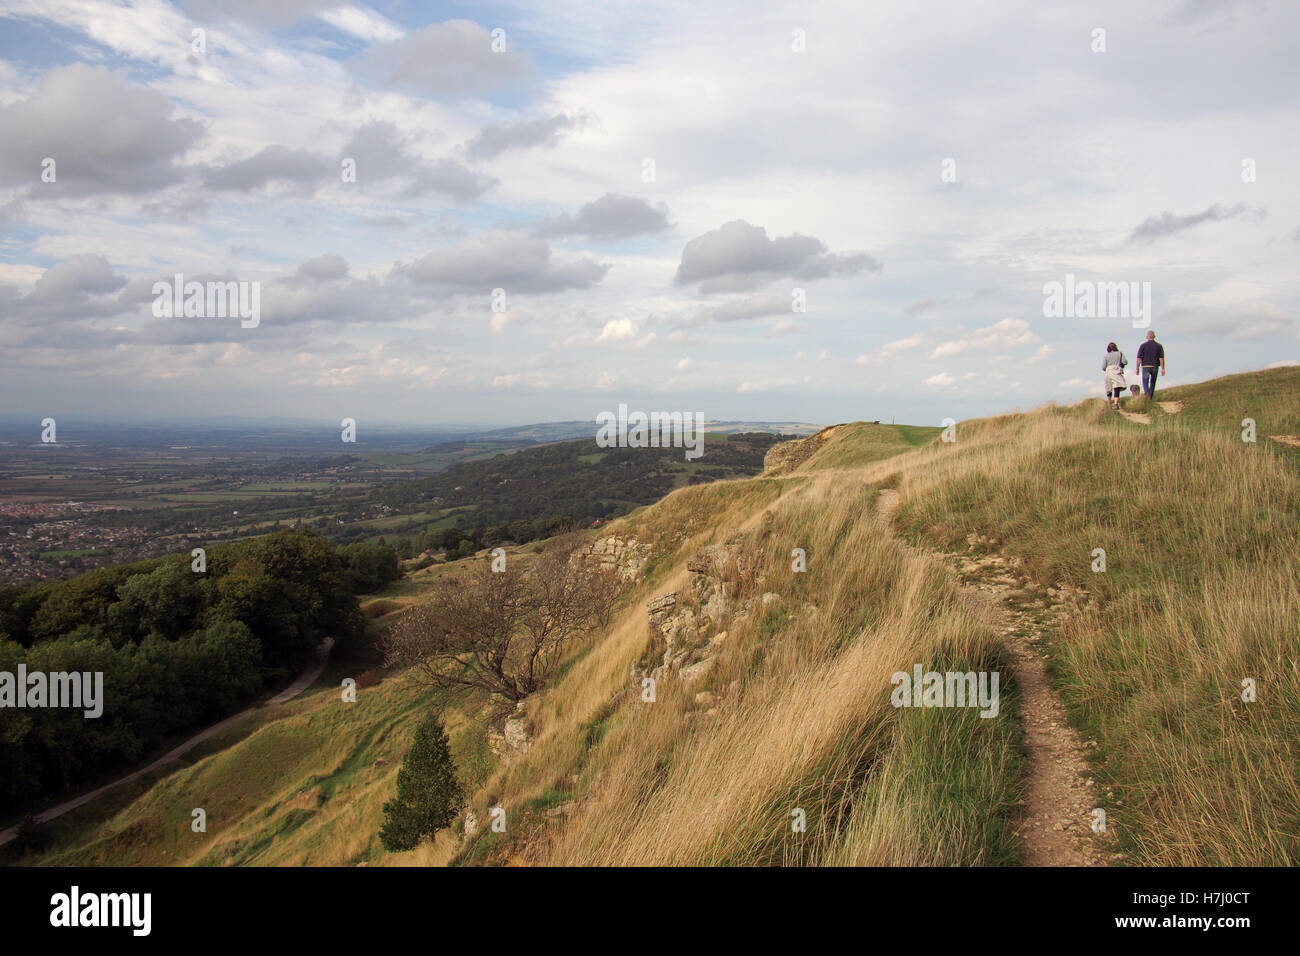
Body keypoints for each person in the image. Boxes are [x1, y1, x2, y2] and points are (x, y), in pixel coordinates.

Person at [1136, 330, 1165, 399]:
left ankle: (1148, 396)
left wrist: (1137, 368)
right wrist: (1163, 368)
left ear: (1147, 337)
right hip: (1155, 366)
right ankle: (1150, 397)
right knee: (1153, 382)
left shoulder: (1143, 346)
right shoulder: (1159, 346)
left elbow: (1139, 358)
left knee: (1145, 382)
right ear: (1154, 337)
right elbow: (1161, 358)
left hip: (1146, 366)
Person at [1102, 342, 1128, 409]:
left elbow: (1103, 367)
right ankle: (1116, 404)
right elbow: (1125, 362)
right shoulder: (1120, 353)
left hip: (1108, 371)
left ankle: (1109, 404)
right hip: (1116, 370)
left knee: (1108, 388)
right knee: (1117, 386)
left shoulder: (1106, 356)